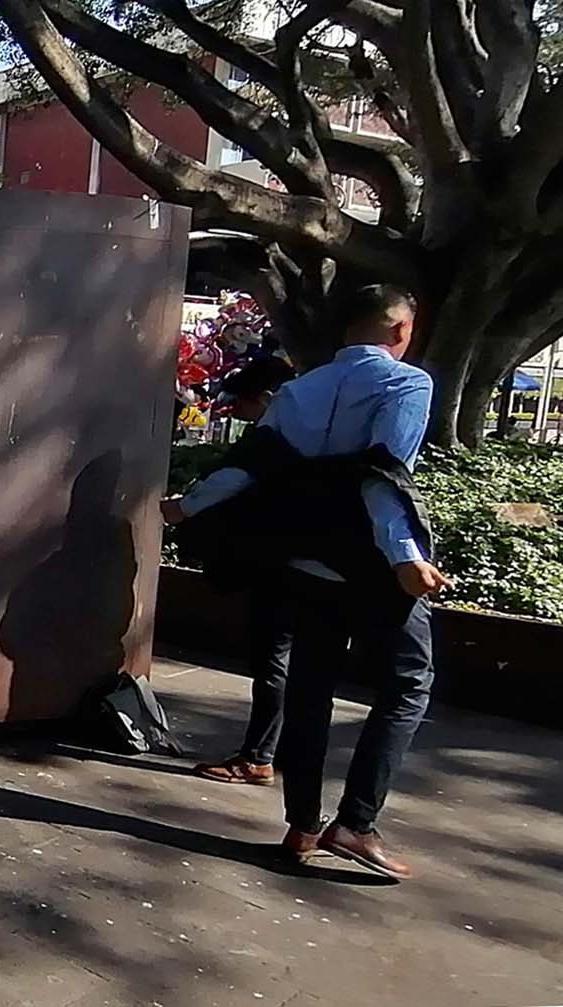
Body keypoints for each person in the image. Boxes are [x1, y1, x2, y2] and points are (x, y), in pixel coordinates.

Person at [164, 285, 449, 880]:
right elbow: (382, 475)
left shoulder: (299, 389)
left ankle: (303, 825)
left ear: (345, 329)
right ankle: (357, 822)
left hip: (302, 559)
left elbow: (247, 466)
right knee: (408, 685)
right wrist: (404, 554)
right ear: (401, 330)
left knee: (311, 688)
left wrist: (188, 508)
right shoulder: (406, 384)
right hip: (369, 564)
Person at [187, 357, 298, 787]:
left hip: (278, 558)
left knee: (275, 658)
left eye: (244, 402)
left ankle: (259, 755)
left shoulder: (271, 439)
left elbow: (231, 480)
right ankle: (276, 749)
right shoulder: (319, 435)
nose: (237, 411)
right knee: (295, 660)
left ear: (269, 399)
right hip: (315, 556)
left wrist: (182, 508)